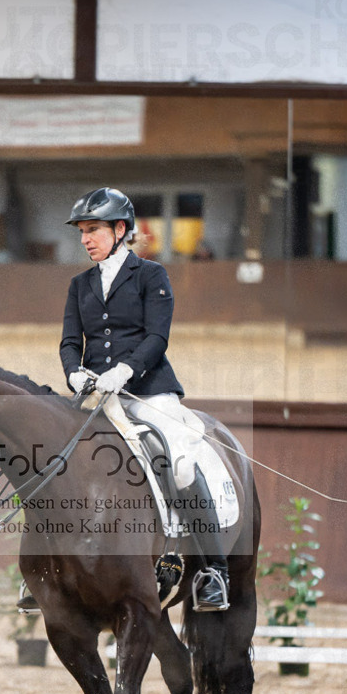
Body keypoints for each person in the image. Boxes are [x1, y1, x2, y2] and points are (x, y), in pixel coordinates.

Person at [58, 187, 230, 611]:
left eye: (93, 229)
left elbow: (157, 337)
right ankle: (46, 567)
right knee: (54, 460)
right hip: (97, 396)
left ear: (120, 229)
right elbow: (68, 342)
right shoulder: (79, 284)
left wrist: (124, 371)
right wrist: (74, 372)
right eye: (82, 231)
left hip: (149, 392)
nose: (85, 239)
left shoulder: (151, 275)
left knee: (182, 462)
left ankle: (214, 571)